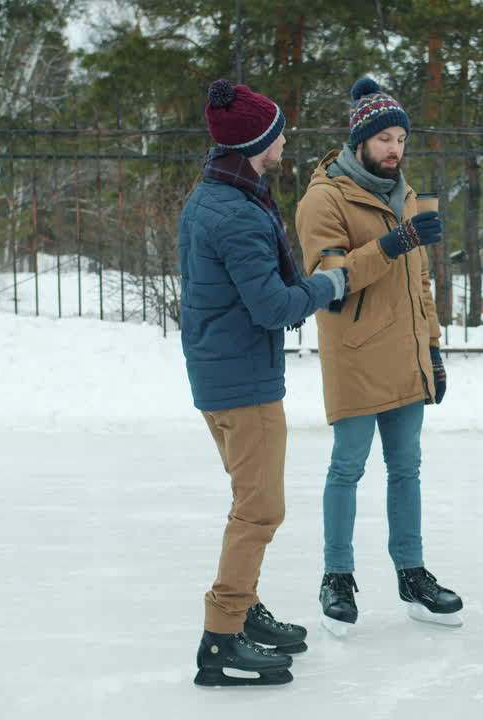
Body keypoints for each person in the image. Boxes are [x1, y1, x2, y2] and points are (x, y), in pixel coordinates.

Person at [179, 79, 349, 686]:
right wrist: (329, 285)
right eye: (278, 133)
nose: (284, 142)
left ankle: (245, 611)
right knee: (259, 511)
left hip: (220, 370)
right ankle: (221, 637)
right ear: (257, 143)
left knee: (250, 503)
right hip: (243, 383)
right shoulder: (237, 215)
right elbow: (274, 306)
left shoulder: (217, 194)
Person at [296, 77, 460, 635]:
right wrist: (394, 243)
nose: (395, 148)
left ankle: (411, 573)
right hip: (357, 352)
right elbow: (328, 279)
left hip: (406, 352)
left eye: (401, 138)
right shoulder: (325, 197)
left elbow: (420, 284)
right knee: (347, 467)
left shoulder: (405, 194)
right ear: (360, 140)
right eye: (385, 138)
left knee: (406, 468)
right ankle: (336, 576)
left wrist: (433, 346)